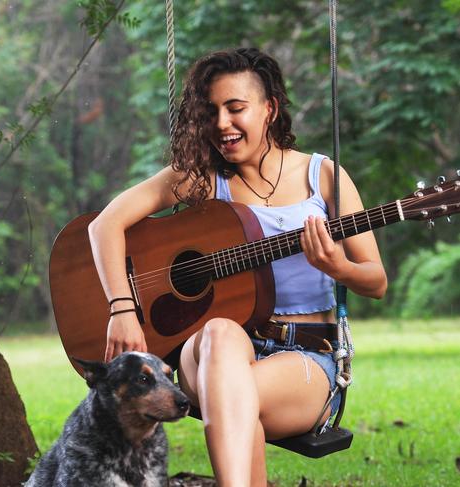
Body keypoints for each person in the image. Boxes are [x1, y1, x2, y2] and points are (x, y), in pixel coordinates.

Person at [87, 47, 387, 487]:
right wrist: (122, 307)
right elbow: (104, 224)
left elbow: (376, 281)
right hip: (214, 355)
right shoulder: (204, 179)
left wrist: (338, 266)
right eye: (211, 111)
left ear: (270, 109)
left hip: (305, 358)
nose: (222, 123)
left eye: (236, 108)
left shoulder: (322, 176)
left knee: (234, 399)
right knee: (219, 332)